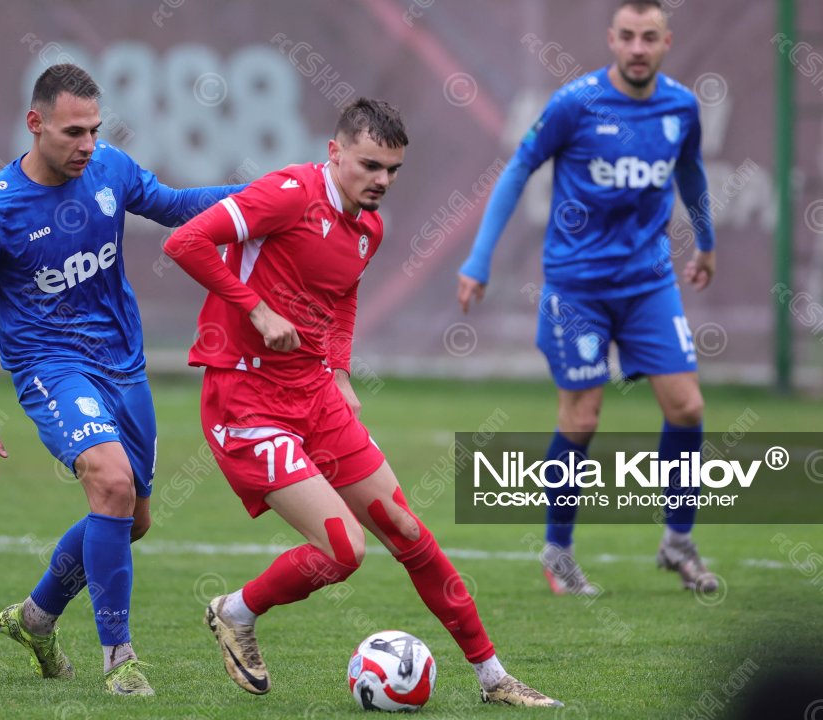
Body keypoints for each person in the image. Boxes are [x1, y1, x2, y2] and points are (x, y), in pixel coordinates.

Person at [164, 97, 563, 707]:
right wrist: (257, 310)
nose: (382, 180)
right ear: (335, 152)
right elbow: (186, 242)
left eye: (393, 170)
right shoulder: (288, 194)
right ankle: (235, 611)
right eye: (370, 165)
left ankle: (494, 679)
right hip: (245, 398)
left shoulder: (368, 227)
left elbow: (343, 296)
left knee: (406, 528)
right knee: (344, 550)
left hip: (314, 393)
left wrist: (340, 370)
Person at [0, 63, 246, 695]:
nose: (87, 144)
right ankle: (119, 659)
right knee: (110, 482)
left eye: (94, 130)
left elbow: (175, 207)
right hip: (50, 366)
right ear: (35, 123)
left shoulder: (110, 170)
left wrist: (270, 192)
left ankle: (36, 618)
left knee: (133, 519)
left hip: (123, 364)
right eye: (73, 132)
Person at [457, 0, 719, 596]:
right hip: (577, 288)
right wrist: (479, 258)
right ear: (611, 39)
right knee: (582, 418)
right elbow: (518, 169)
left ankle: (677, 542)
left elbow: (692, 172)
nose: (637, 48)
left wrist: (705, 243)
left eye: (648, 37)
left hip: (650, 283)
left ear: (667, 42)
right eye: (627, 36)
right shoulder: (575, 104)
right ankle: (559, 552)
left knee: (687, 407)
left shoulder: (681, 106)